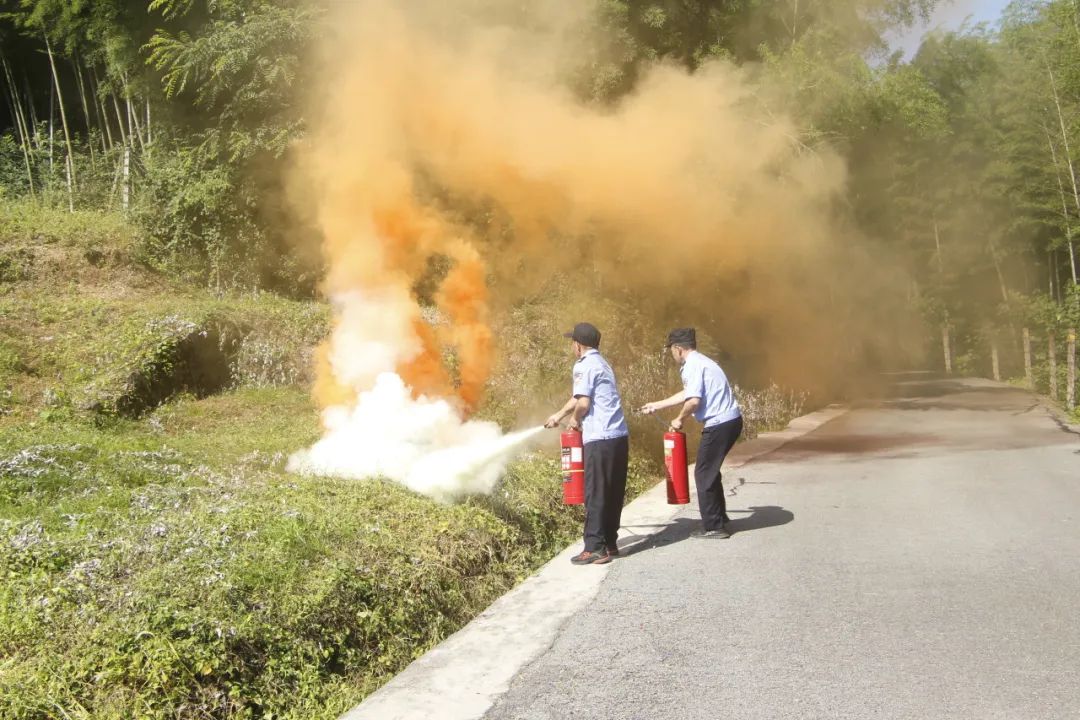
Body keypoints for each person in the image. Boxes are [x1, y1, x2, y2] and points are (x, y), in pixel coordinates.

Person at [641, 328, 743, 539]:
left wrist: (679, 419)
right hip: (729, 421)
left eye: (671, 349)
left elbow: (694, 401)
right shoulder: (701, 362)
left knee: (703, 473)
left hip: (720, 423)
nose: (671, 353)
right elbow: (688, 393)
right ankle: (719, 518)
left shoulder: (692, 366)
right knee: (710, 472)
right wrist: (657, 405)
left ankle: (714, 527)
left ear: (678, 348)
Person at [544, 322, 630, 565]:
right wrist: (558, 416)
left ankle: (594, 548)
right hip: (617, 436)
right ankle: (610, 544)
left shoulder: (583, 365)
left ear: (578, 345)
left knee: (595, 493)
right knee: (612, 491)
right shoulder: (602, 363)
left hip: (599, 438)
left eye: (572, 342)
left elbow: (583, 403)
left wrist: (574, 421)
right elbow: (577, 397)